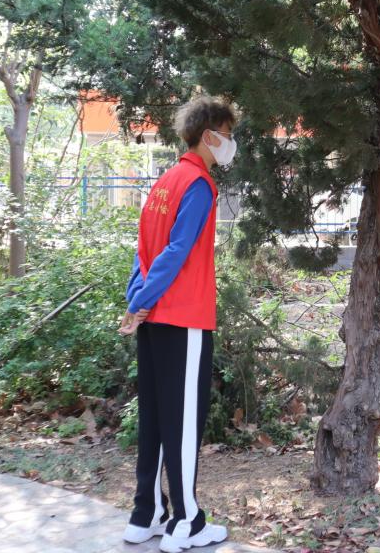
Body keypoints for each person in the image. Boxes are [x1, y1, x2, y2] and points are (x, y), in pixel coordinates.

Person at [117, 97, 237, 553]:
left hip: (153, 319)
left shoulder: (164, 181)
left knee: (155, 418)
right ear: (209, 135)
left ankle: (145, 514)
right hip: (184, 318)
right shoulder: (200, 184)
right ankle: (185, 522)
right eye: (227, 134)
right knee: (183, 423)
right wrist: (141, 301)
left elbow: (143, 251)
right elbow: (176, 251)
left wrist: (137, 300)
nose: (230, 143)